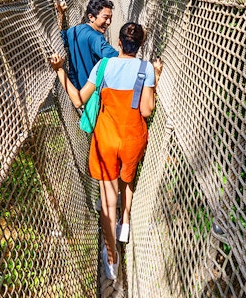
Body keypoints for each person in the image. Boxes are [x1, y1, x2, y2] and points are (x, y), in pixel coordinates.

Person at [50, 22, 162, 281]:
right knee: (128, 179)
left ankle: (112, 258)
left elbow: (78, 99)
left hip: (106, 140)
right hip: (133, 138)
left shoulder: (103, 66)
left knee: (107, 202)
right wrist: (154, 81)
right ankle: (125, 223)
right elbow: (146, 110)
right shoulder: (147, 69)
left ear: (119, 43)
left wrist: (60, 71)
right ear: (141, 45)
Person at [56, 0, 118, 90]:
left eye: (110, 18)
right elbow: (118, 58)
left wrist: (61, 15)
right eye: (105, 18)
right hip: (93, 93)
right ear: (91, 17)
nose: (109, 22)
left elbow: (59, 39)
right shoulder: (96, 38)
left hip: (76, 90)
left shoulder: (73, 31)